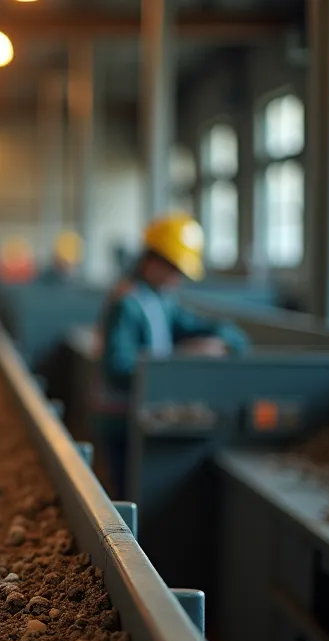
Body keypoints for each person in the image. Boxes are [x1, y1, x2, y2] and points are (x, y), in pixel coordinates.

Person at [95, 212, 249, 497]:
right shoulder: (127, 303)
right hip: (124, 421)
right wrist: (182, 357)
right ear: (153, 261)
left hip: (145, 413)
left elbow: (204, 326)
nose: (177, 280)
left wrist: (227, 340)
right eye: (175, 270)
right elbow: (117, 367)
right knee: (129, 496)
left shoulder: (160, 299)